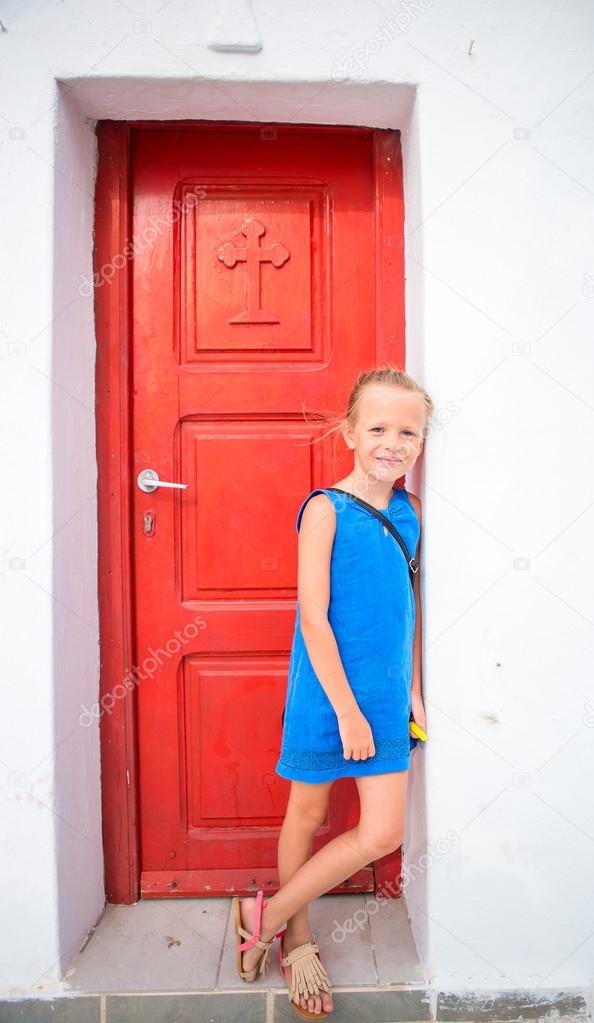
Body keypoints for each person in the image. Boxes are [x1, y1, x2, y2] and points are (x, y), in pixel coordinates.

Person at [233, 367, 433, 1019]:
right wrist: (346, 709)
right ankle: (298, 938)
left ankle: (263, 915)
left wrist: (414, 690)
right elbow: (314, 616)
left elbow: (411, 605)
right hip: (327, 695)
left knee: (380, 832)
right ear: (348, 431)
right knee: (310, 815)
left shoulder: (410, 511)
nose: (393, 442)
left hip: (383, 698)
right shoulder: (325, 508)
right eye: (378, 427)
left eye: (409, 431)